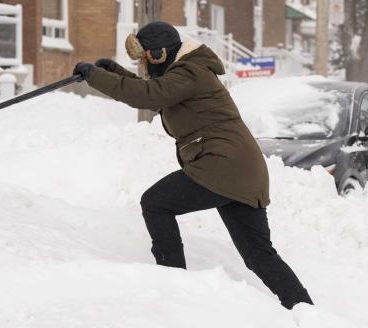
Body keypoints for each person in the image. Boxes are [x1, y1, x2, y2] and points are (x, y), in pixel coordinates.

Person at [72, 21, 313, 310]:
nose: (144, 67)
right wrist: (113, 73)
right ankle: (305, 311)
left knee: (156, 203)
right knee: (258, 254)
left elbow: (149, 95)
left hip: (224, 164)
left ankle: (174, 287)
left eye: (145, 60)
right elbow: (155, 94)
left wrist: (96, 77)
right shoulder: (185, 74)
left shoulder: (190, 72)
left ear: (159, 55)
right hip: (242, 169)